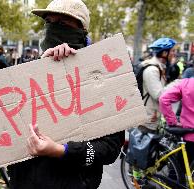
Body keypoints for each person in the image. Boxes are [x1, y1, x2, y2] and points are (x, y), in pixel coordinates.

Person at [7, 1, 125, 189]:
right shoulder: (24, 73)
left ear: (81, 30)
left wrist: (63, 151)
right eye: (49, 22)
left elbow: (110, 150)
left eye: (62, 23)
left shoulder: (102, 79)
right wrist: (40, 71)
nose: (53, 28)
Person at [139, 37, 176, 131]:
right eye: (172, 51)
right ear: (164, 53)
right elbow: (159, 95)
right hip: (147, 121)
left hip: (153, 118)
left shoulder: (160, 68)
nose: (174, 54)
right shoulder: (152, 70)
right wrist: (176, 85)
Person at [159, 78, 194, 165]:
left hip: (189, 134)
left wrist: (172, 121)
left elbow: (163, 99)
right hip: (190, 134)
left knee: (178, 170)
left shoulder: (187, 83)